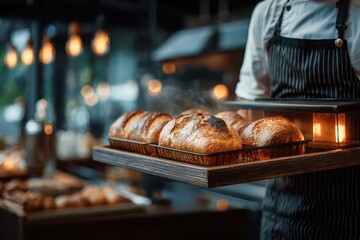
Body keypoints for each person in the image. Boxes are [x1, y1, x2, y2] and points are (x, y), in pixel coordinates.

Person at [236, 0, 360, 239]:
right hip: (281, 210)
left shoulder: (356, 13)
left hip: (348, 211)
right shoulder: (269, 13)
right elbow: (248, 108)